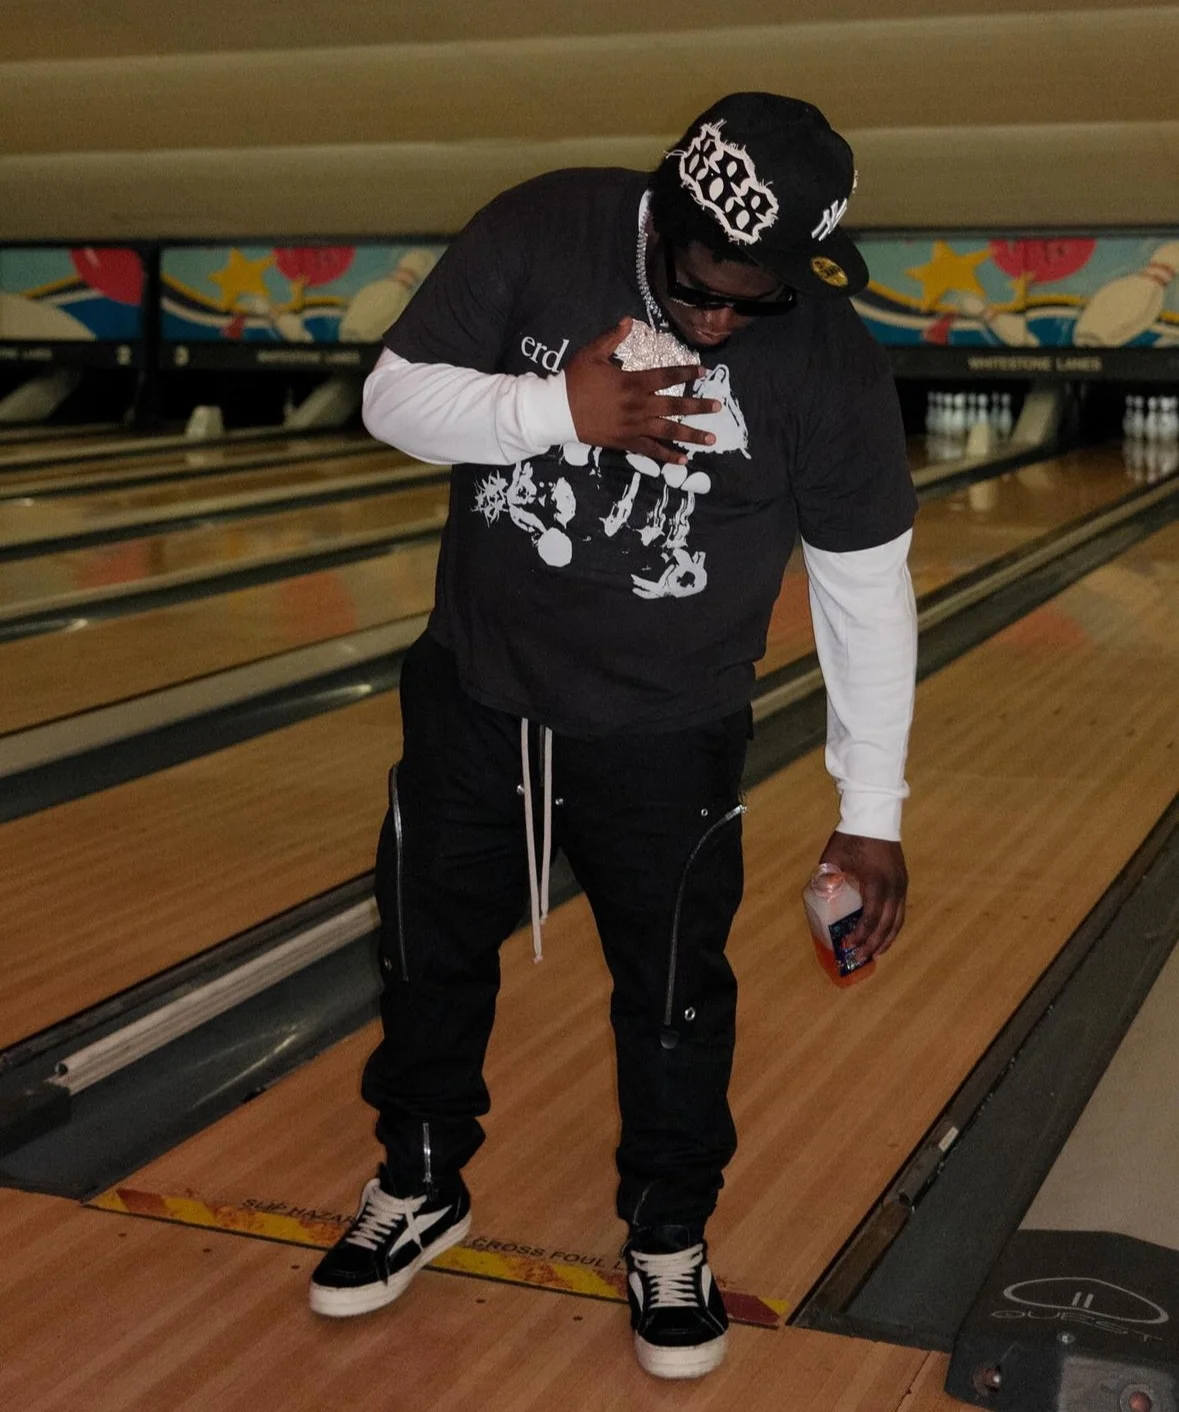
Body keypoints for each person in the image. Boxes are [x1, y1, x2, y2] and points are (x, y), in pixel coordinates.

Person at [309, 91, 917, 1380]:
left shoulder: (828, 362)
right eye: (702, 288)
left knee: (675, 996)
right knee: (426, 957)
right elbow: (392, 401)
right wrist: (557, 411)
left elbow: (866, 588)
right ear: (662, 219)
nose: (722, 321)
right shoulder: (542, 230)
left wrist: (873, 815)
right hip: (476, 693)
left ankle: (669, 1232)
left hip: (667, 733)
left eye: (759, 297)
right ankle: (419, 1179)